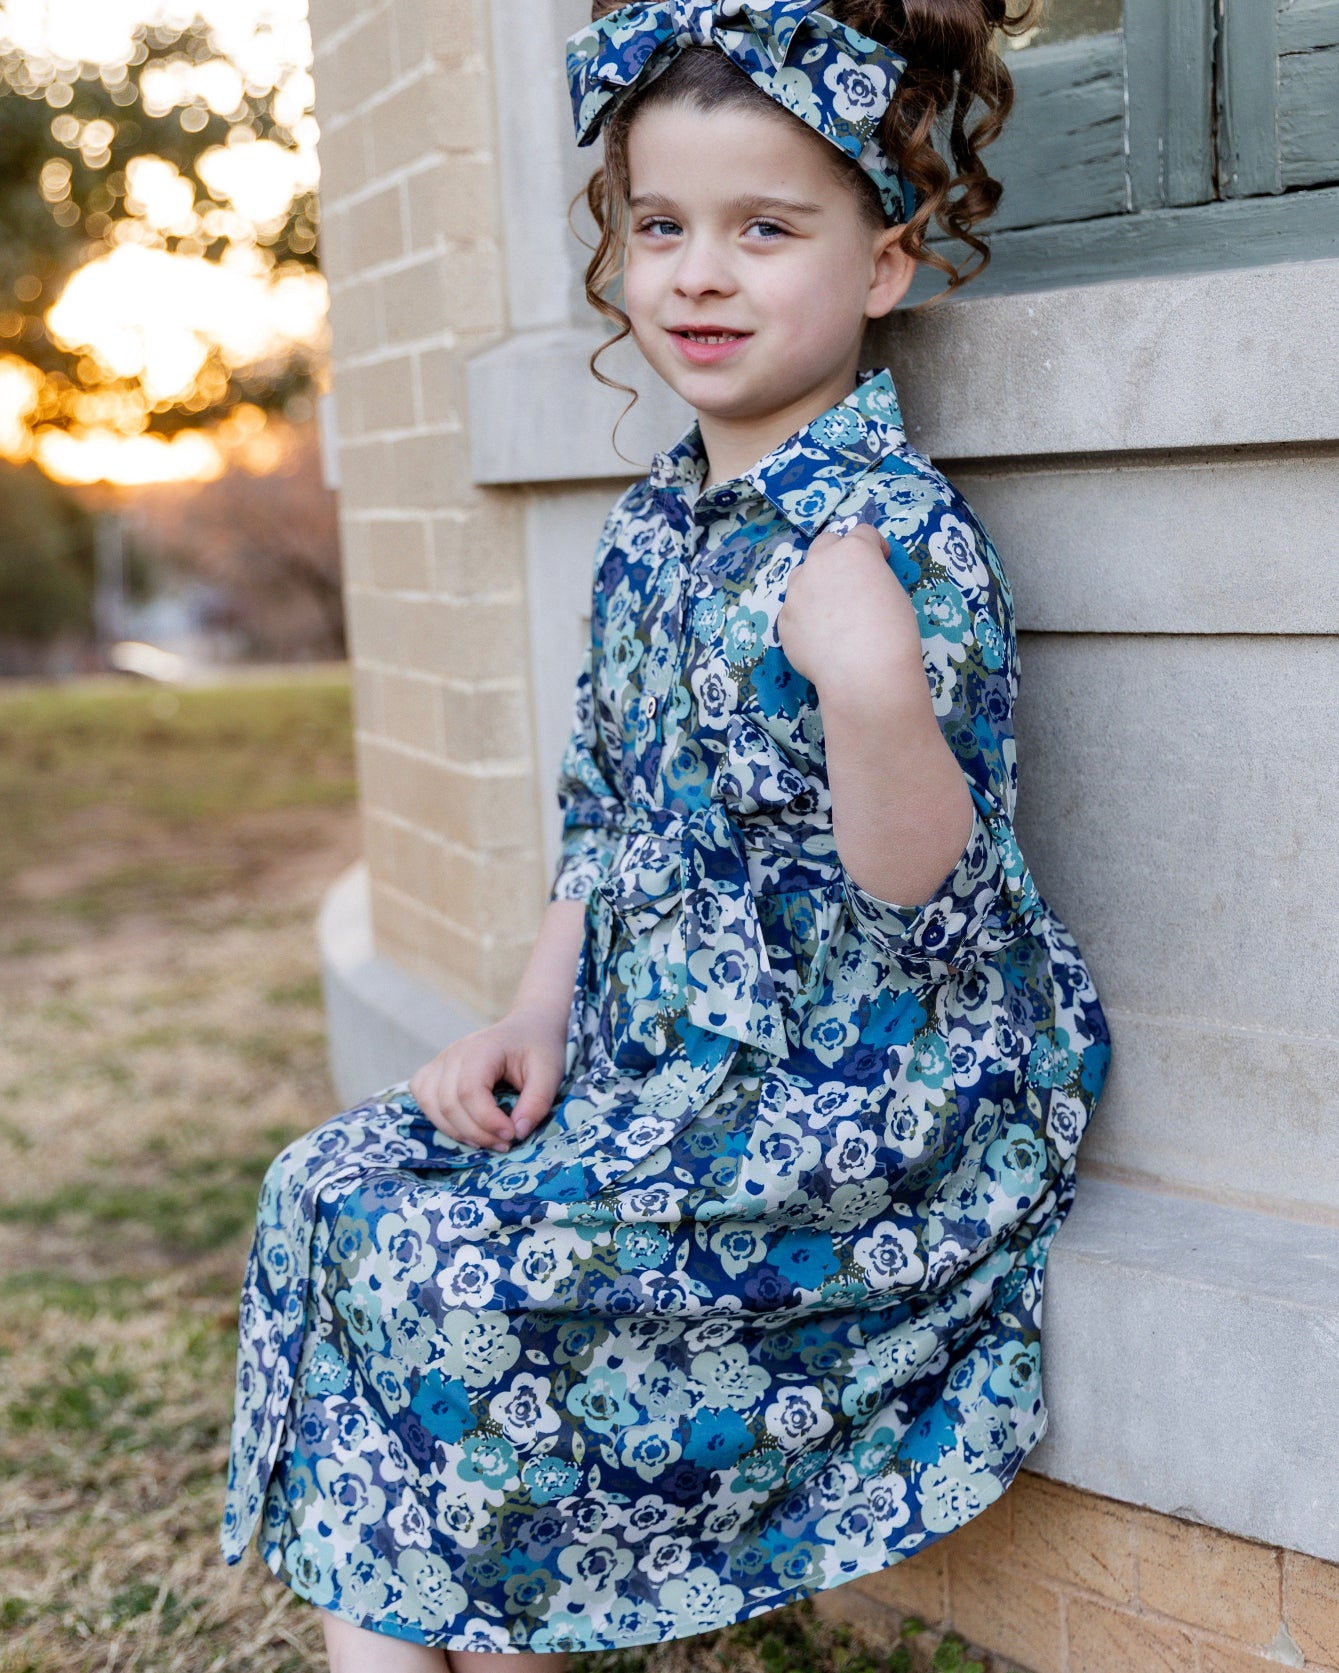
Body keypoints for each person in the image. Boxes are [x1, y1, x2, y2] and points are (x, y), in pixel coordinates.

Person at [219, 2, 1112, 1668]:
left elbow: (928, 903)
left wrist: (874, 690)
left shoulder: (890, 538)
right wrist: (531, 1015)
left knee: (442, 1269)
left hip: (860, 1097)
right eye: (661, 227)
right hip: (657, 1059)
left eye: (765, 229)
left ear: (884, 264)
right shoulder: (650, 530)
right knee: (329, 1189)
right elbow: (606, 814)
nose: (700, 274)